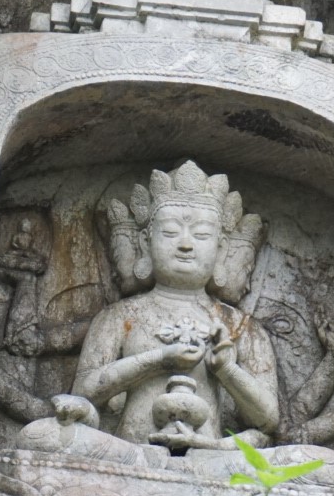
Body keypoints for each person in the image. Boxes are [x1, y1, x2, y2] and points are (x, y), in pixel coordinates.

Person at [71, 161, 278, 450]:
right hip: (132, 451)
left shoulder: (243, 328)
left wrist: (226, 370)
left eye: (201, 235)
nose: (185, 245)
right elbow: (82, 394)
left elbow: (268, 420)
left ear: (221, 248)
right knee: (45, 435)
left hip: (209, 457)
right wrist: (159, 359)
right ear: (145, 242)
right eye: (169, 232)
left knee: (323, 464)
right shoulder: (119, 316)